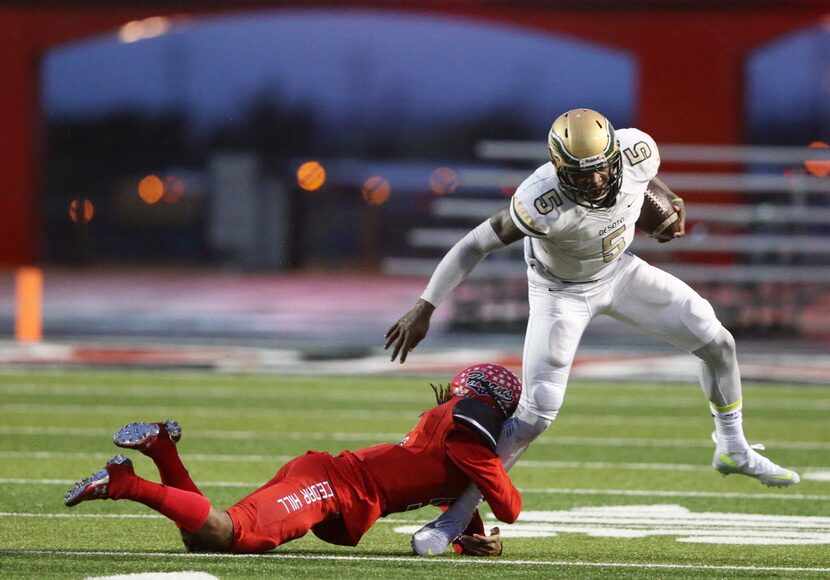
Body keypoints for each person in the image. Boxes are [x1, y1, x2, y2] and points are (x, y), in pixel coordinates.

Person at [384, 108, 800, 556]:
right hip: (559, 291)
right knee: (535, 416)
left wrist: (668, 206)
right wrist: (425, 305)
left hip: (620, 273)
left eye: (603, 168)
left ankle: (732, 446)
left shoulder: (637, 149)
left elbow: (646, 186)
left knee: (718, 342)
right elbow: (474, 244)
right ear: (560, 167)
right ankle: (453, 520)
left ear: (615, 155)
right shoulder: (540, 201)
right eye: (583, 174)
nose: (598, 181)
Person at [64, 363, 522, 556]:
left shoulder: (453, 434)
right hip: (333, 488)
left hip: (326, 478)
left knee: (203, 540)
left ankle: (163, 450)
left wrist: (468, 540)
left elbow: (453, 505)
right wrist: (517, 444)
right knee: (233, 535)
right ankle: (126, 482)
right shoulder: (466, 439)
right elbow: (509, 506)